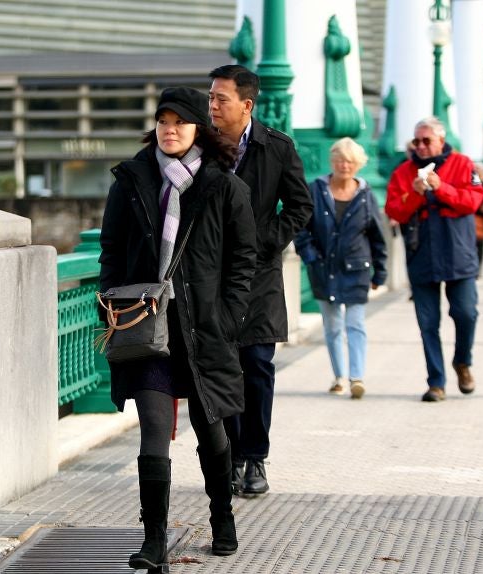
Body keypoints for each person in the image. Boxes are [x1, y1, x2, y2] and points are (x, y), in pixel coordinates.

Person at [98, 86, 257, 571]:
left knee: (211, 433)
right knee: (151, 430)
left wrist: (227, 318)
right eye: (163, 121)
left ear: (198, 131)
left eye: (180, 122)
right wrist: (111, 298)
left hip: (203, 330)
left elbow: (242, 261)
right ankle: (153, 540)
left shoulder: (223, 186)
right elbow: (110, 250)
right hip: (146, 326)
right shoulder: (130, 182)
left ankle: (222, 515)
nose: (170, 130)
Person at [207, 64, 313, 496]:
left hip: (259, 277)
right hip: (211, 278)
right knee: (222, 369)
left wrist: (263, 242)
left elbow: (300, 207)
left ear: (246, 104)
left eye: (220, 99)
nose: (211, 105)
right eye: (210, 97)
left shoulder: (278, 148)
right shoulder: (200, 147)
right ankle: (227, 457)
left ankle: (255, 457)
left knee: (256, 368)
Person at [384, 116, 483, 402]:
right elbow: (395, 210)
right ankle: (436, 382)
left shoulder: (464, 164)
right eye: (417, 141)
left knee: (466, 313)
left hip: (458, 252)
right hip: (422, 254)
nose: (421, 146)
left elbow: (474, 200)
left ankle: (462, 362)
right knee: (428, 322)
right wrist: (416, 194)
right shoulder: (403, 171)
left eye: (426, 140)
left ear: (441, 140)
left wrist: (441, 187)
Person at [293, 138, 387, 399]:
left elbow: (377, 236)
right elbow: (302, 229)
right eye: (339, 160)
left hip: (356, 268)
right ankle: (339, 377)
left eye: (349, 161)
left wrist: (380, 271)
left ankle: (357, 376)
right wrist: (311, 257)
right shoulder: (316, 190)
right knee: (332, 325)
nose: (344, 165)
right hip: (324, 267)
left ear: (357, 165)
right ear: (332, 162)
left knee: (355, 323)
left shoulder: (366, 195)